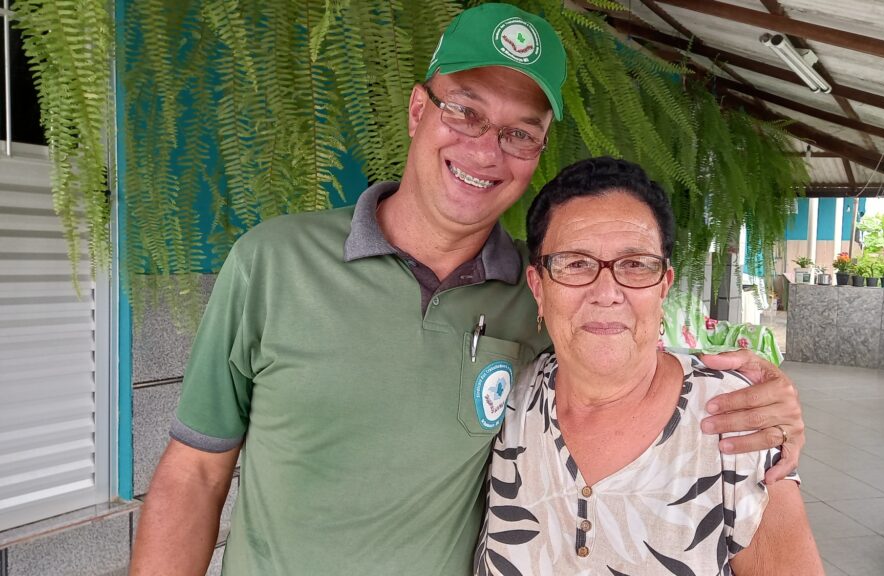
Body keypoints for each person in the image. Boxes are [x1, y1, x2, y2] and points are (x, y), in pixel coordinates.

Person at [130, 5, 806, 575]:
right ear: (418, 110)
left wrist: (771, 406)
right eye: (466, 112)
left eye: (520, 133)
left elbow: (625, 364)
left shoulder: (541, 296)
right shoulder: (272, 263)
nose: (487, 151)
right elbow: (192, 475)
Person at [477, 157, 822, 575]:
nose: (606, 292)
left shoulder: (736, 416)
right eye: (575, 263)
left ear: (664, 286)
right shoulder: (504, 405)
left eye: (635, 265)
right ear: (539, 286)